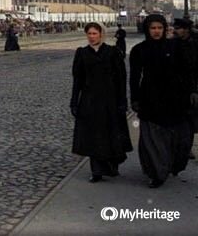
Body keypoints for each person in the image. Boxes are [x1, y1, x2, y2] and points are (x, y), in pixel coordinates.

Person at [130, 14, 194, 188]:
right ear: (147, 30)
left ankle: (172, 165)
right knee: (152, 140)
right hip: (150, 98)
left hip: (176, 98)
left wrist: (190, 92)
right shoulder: (139, 50)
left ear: (165, 29)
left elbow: (187, 72)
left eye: (159, 28)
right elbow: (135, 77)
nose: (156, 31)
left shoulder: (176, 46)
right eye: (153, 28)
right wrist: (134, 99)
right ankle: (157, 173)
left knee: (180, 139)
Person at [70, 22, 131, 182]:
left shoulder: (112, 52)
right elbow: (78, 80)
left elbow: (121, 79)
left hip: (110, 100)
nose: (91, 37)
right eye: (89, 34)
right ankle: (96, 171)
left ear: (101, 34)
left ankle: (111, 165)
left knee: (111, 133)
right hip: (90, 100)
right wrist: (74, 102)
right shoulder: (82, 53)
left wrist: (123, 101)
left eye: (94, 34)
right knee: (93, 135)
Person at [172, 18, 198, 160]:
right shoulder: (173, 43)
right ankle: (179, 147)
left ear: (186, 29)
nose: (176, 30)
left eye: (179, 28)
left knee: (189, 122)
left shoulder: (194, 44)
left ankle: (187, 148)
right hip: (176, 88)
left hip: (191, 88)